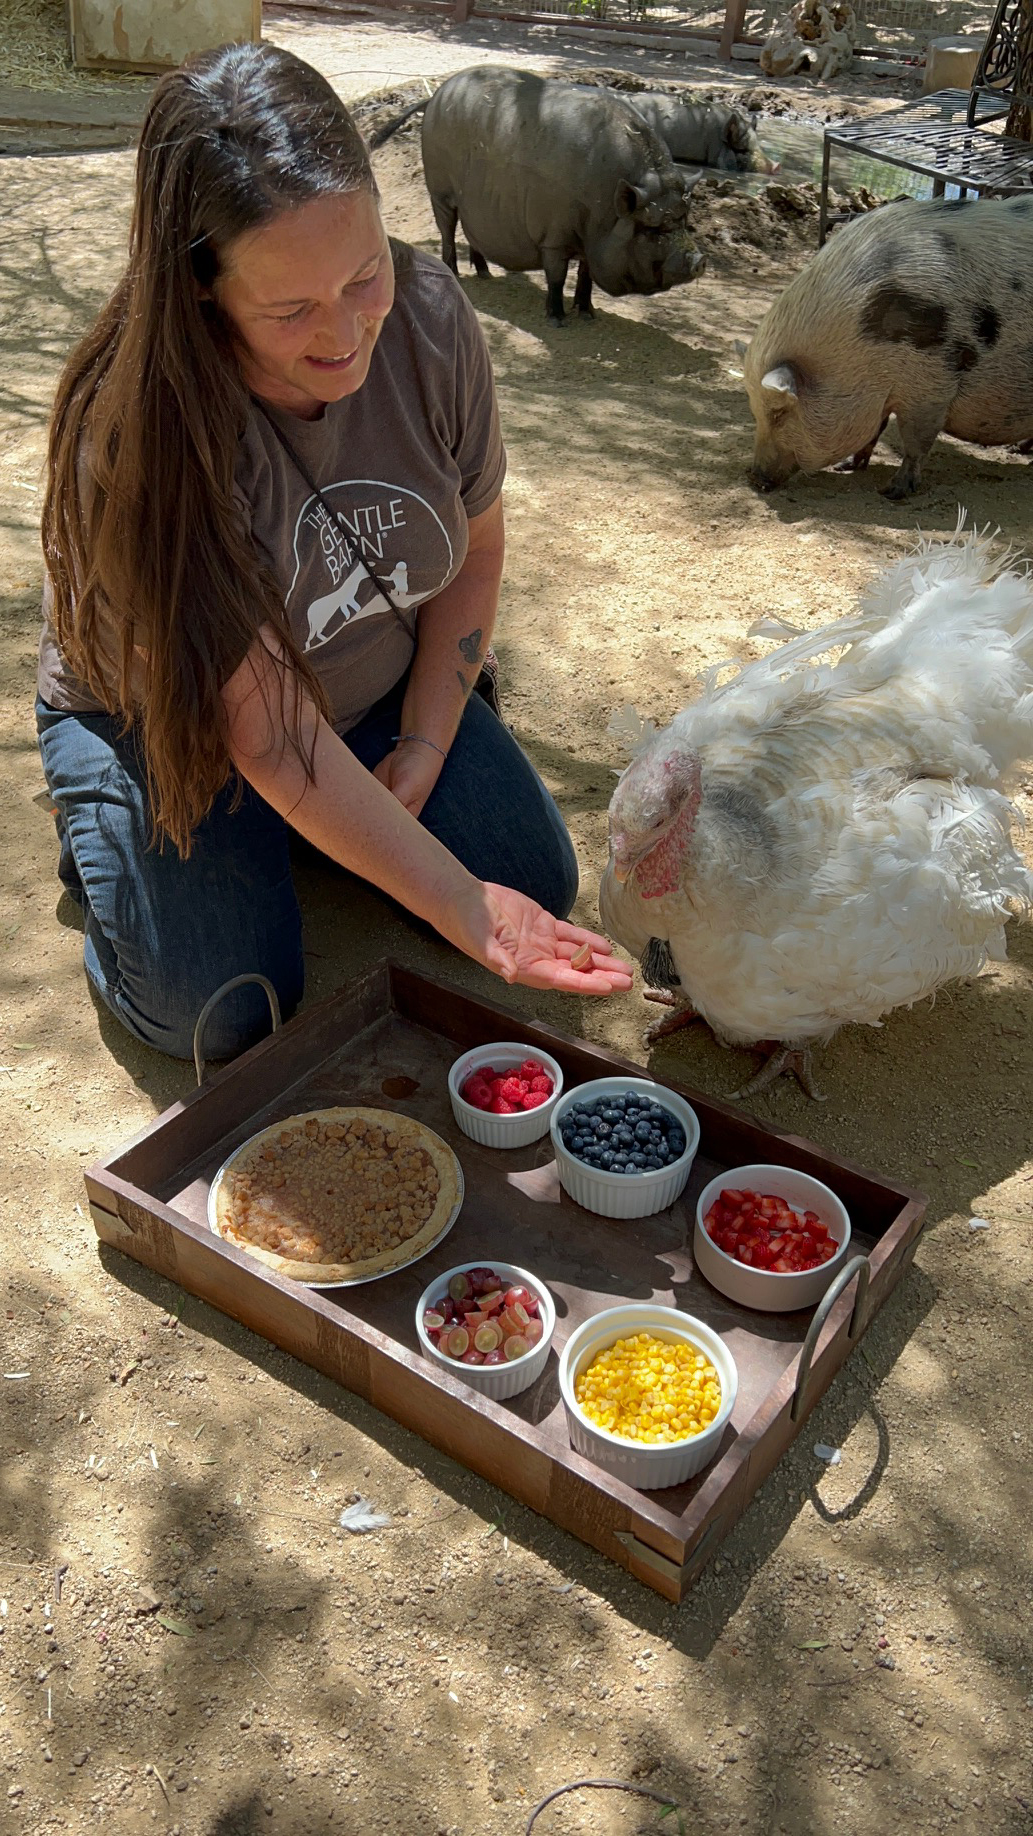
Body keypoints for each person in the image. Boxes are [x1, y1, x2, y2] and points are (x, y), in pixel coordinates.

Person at [37, 41, 631, 1061]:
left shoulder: (433, 317)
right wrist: (463, 910)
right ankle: (113, 836)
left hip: (357, 693)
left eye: (363, 274)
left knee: (532, 878)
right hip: (176, 725)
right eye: (292, 309)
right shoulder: (140, 434)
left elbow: (475, 554)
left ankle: (304, 835)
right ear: (201, 289)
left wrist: (425, 742)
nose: (349, 332)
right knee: (222, 1011)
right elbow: (266, 736)